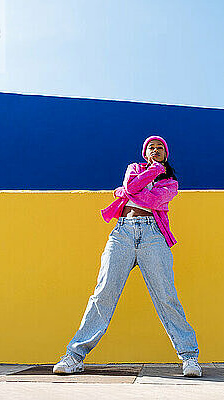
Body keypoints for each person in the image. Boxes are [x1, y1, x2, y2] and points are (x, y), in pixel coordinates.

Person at [52, 135, 202, 377]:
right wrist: (142, 180)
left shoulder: (171, 181)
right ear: (145, 153)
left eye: (160, 148)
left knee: (166, 297)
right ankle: (74, 356)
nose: (155, 150)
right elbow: (133, 187)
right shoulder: (134, 168)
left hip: (153, 236)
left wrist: (127, 191)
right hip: (122, 233)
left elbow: (150, 198)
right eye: (151, 148)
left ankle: (189, 357)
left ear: (166, 154)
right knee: (103, 294)